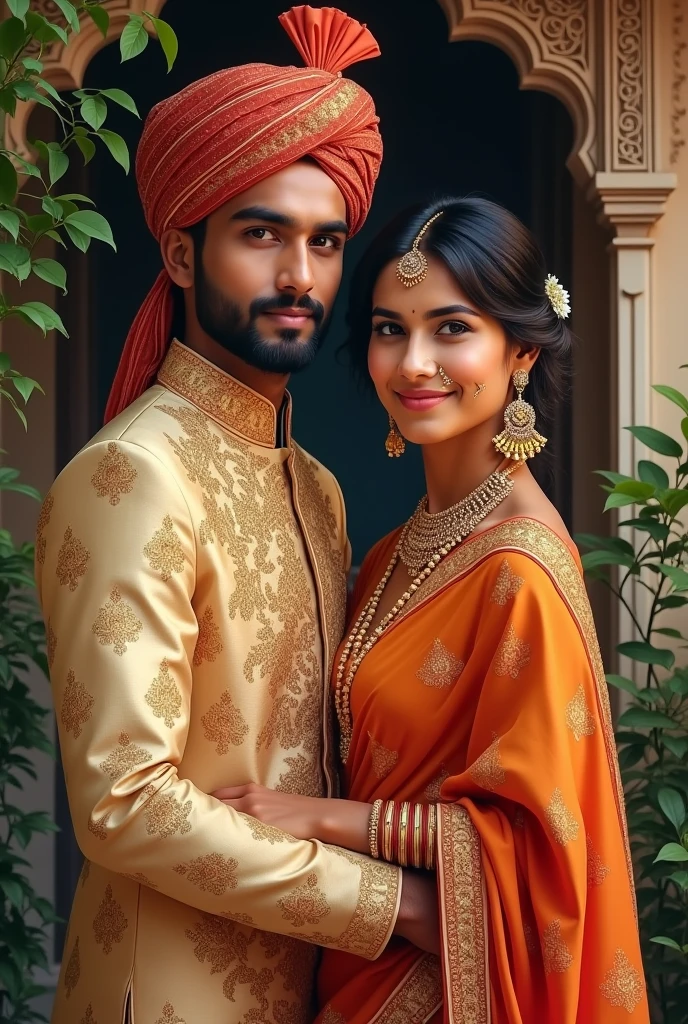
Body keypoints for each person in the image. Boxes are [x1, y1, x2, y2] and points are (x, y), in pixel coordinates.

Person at [36, 9, 437, 1023]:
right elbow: (124, 802)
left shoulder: (316, 487)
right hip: (168, 994)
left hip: (310, 987)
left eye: (325, 242)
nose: (300, 277)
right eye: (262, 234)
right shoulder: (131, 474)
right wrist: (391, 903)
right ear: (180, 253)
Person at [212, 197, 650, 1023]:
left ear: (520, 349)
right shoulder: (393, 551)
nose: (413, 362)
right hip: (362, 962)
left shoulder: (518, 570)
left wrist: (322, 819)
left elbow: (536, 848)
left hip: (445, 987)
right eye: (389, 328)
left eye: (451, 329)